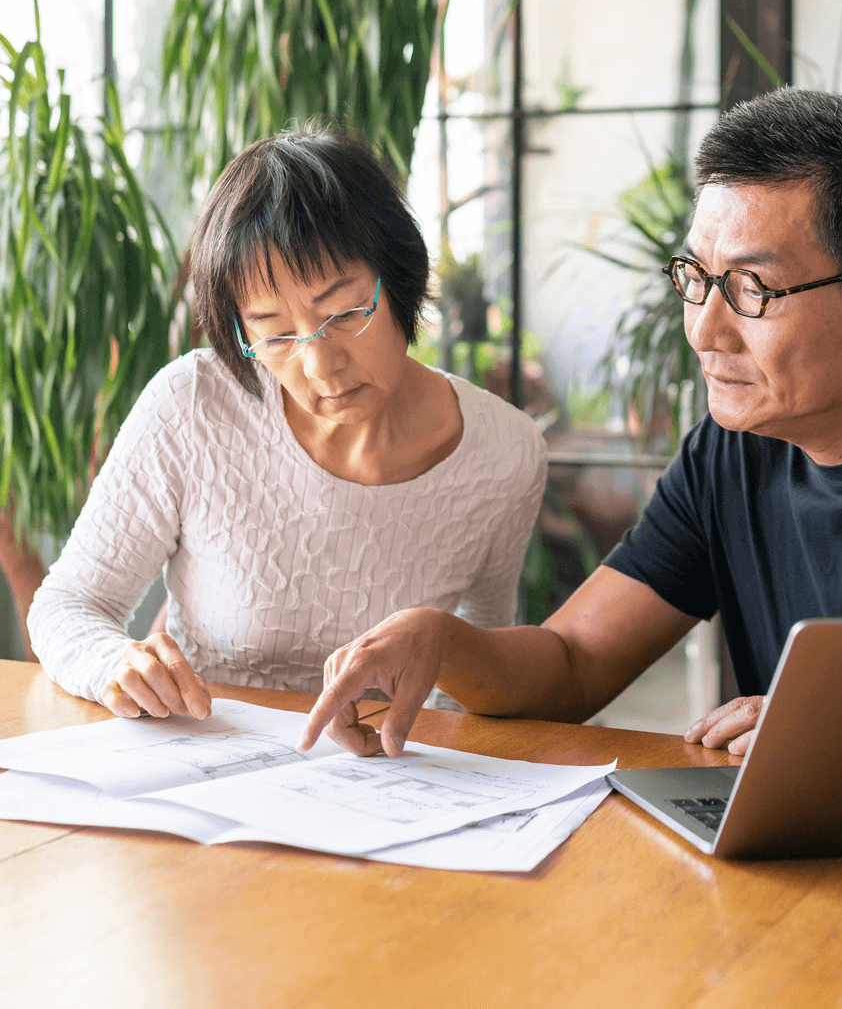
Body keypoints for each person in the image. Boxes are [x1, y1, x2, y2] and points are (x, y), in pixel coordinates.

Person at [297, 89, 842, 760]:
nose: (703, 330)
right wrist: (443, 640)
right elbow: (572, 663)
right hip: (819, 879)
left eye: (753, 289)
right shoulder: (731, 457)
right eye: (697, 279)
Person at [28, 125, 546, 718]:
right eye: (274, 335)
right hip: (207, 763)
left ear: (399, 275)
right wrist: (111, 662)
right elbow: (69, 602)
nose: (320, 364)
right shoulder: (192, 404)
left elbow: (482, 675)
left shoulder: (507, 451)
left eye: (345, 312)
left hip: (387, 779)